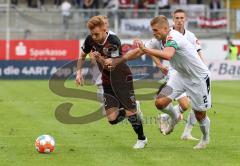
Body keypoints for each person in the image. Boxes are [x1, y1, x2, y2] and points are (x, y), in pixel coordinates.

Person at [106, 15, 211, 149]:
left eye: (156, 30)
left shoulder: (174, 37)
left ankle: (205, 138)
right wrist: (118, 60)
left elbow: (168, 55)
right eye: (153, 30)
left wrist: (145, 49)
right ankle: (175, 117)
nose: (154, 33)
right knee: (160, 102)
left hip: (198, 78)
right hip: (180, 76)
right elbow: (138, 52)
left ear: (166, 28)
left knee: (200, 114)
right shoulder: (158, 39)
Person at [75, 16, 147, 149]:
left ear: (104, 30)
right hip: (107, 81)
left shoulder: (113, 41)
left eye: (97, 34)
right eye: (92, 34)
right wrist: (79, 73)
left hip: (122, 79)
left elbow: (111, 66)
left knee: (130, 113)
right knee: (112, 119)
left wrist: (99, 58)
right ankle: (133, 109)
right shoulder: (90, 39)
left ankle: (142, 138)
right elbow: (82, 55)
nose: (94, 37)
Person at [167, 9, 205, 141]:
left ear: (185, 19)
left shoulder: (190, 36)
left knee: (197, 104)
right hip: (175, 74)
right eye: (176, 18)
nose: (179, 20)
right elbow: (152, 46)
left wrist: (202, 68)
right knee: (184, 105)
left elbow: (198, 52)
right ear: (173, 19)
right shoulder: (168, 34)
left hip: (191, 74)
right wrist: (159, 64)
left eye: (182, 18)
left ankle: (187, 132)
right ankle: (168, 116)